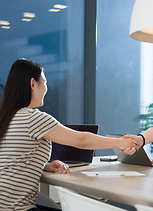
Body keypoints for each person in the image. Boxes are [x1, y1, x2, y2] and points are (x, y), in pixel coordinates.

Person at [0, 59, 136, 211]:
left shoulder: (6, 117)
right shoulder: (33, 118)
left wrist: (43, 165)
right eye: (44, 82)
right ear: (33, 84)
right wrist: (118, 143)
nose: (46, 88)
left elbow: (9, 159)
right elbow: (81, 140)